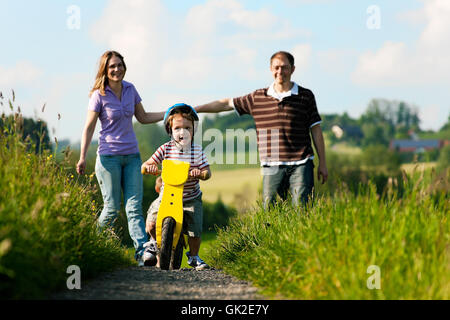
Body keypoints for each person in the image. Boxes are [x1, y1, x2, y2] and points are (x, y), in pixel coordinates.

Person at [195, 51, 328, 208]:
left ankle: (302, 232)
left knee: (301, 207)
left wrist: (323, 163)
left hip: (301, 162)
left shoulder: (305, 96)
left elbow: (316, 130)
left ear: (292, 69)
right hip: (271, 166)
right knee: (268, 209)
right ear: (271, 69)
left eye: (285, 67)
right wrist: (195, 109)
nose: (280, 72)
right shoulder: (258, 98)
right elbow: (225, 104)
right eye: (276, 67)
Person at [76, 50, 164, 266]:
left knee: (134, 207)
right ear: (105, 70)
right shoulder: (99, 95)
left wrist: (168, 113)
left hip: (132, 156)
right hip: (108, 159)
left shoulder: (130, 89)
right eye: (112, 66)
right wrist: (81, 157)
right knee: (112, 207)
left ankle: (142, 253)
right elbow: (89, 128)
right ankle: (92, 242)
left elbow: (142, 117)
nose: (117, 69)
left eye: (120, 65)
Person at [141, 103, 212, 270]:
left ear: (194, 130)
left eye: (187, 127)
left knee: (195, 229)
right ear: (170, 130)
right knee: (152, 221)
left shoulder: (197, 151)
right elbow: (145, 165)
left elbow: (208, 172)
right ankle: (153, 242)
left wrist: (200, 173)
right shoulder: (165, 149)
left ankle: (194, 256)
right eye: (178, 128)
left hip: (190, 198)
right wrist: (149, 167)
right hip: (167, 196)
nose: (182, 132)